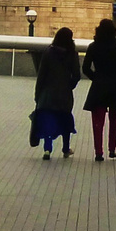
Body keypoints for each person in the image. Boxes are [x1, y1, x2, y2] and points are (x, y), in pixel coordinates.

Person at [82, 19, 116, 161]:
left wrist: (95, 77)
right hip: (114, 85)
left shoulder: (93, 46)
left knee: (98, 121)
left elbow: (85, 67)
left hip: (99, 85)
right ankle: (112, 149)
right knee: (114, 118)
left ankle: (98, 152)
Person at [32, 27, 81, 159]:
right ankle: (65, 149)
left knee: (48, 121)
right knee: (65, 120)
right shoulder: (72, 54)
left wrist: (38, 94)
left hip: (48, 93)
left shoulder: (48, 52)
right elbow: (77, 75)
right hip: (64, 94)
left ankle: (47, 149)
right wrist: (69, 86)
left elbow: (41, 75)